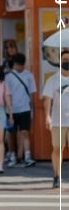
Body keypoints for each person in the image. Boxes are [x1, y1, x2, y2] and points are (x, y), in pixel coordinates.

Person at [40, 49, 69, 189]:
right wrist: (47, 116)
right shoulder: (53, 80)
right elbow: (47, 99)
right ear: (59, 61)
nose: (66, 62)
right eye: (64, 60)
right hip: (58, 121)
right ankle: (57, 175)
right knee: (58, 148)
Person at [3, 53, 36, 168]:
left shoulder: (29, 75)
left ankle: (27, 156)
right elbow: (7, 94)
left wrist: (32, 109)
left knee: (25, 132)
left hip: (25, 109)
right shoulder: (9, 77)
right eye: (18, 65)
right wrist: (9, 110)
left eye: (22, 65)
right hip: (12, 110)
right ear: (14, 64)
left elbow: (32, 93)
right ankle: (12, 155)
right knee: (11, 134)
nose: (20, 67)